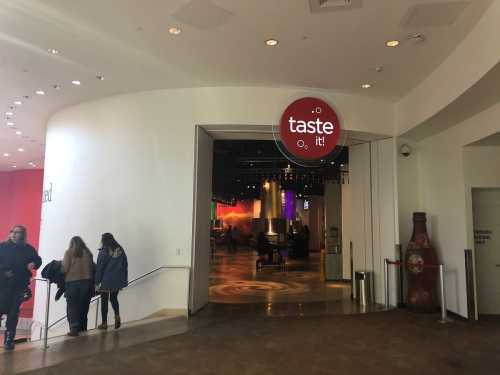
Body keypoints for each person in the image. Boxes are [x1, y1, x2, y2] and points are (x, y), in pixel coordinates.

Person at [0, 225, 42, 350]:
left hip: (20, 286)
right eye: (12, 231)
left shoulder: (28, 249)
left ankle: (9, 339)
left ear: (22, 235)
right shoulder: (2, 247)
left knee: (13, 313)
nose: (13, 234)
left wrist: (33, 263)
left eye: (17, 232)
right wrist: (4, 270)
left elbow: (38, 260)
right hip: (2, 286)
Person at [62, 236, 94, 336]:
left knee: (72, 306)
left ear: (72, 243)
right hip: (86, 283)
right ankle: (83, 328)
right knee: (83, 306)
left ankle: (74, 329)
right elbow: (92, 267)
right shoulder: (88, 253)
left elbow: (64, 268)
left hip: (72, 283)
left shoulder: (69, 252)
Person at [95, 233, 128, 330]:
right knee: (113, 298)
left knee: (104, 300)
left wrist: (97, 283)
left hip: (106, 281)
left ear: (104, 240)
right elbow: (125, 264)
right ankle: (117, 316)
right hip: (117, 280)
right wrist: (122, 278)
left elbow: (100, 268)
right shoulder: (120, 249)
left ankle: (104, 323)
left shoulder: (104, 251)